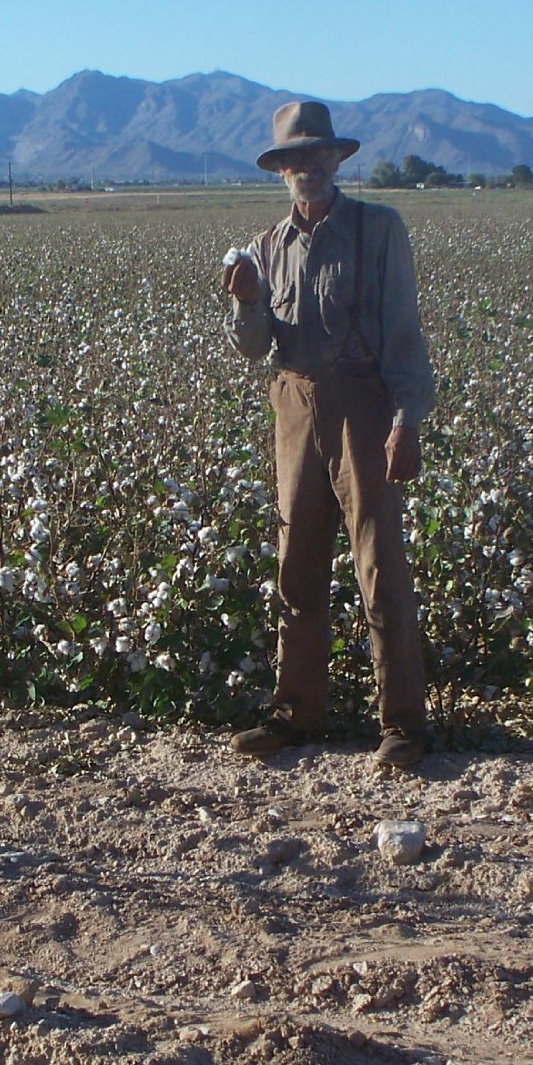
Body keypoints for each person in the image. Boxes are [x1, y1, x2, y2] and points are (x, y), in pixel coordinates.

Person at [221, 100, 435, 772]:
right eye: (294, 159)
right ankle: (295, 713)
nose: (306, 167)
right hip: (292, 403)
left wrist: (406, 419)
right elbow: (255, 349)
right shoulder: (265, 246)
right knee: (296, 559)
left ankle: (401, 724)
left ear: (336, 160)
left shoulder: (377, 231)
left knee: (378, 562)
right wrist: (246, 301)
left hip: (363, 404)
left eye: (317, 155)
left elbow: (403, 332)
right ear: (281, 170)